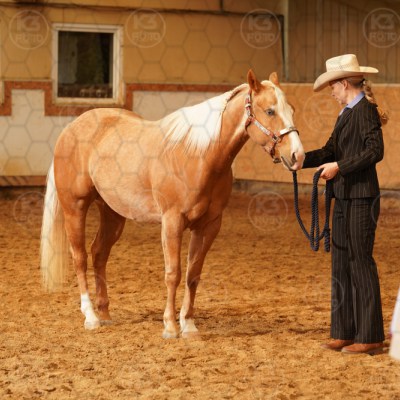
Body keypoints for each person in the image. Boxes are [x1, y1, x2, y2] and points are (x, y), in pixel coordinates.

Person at [302, 54, 389, 355]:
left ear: (343, 83)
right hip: (344, 196)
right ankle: (344, 331)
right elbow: (330, 150)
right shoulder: (346, 114)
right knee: (340, 262)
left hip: (362, 197)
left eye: (332, 86)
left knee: (360, 262)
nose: (331, 91)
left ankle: (370, 335)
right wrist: (300, 159)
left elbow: (375, 151)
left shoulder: (365, 111)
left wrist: (340, 166)